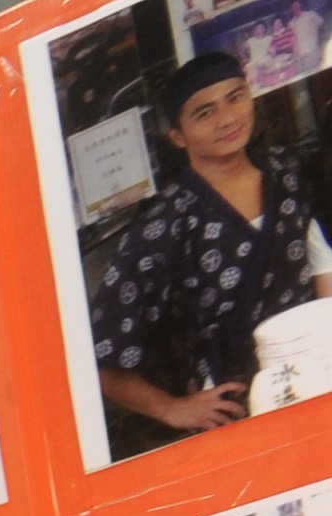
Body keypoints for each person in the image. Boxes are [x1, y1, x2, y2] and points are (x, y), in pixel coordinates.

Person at [95, 54, 332, 450]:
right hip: (238, 413)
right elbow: (100, 353)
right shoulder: (163, 226)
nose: (227, 118)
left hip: (319, 378)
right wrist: (173, 409)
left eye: (235, 97)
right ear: (178, 136)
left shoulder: (289, 173)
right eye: (205, 113)